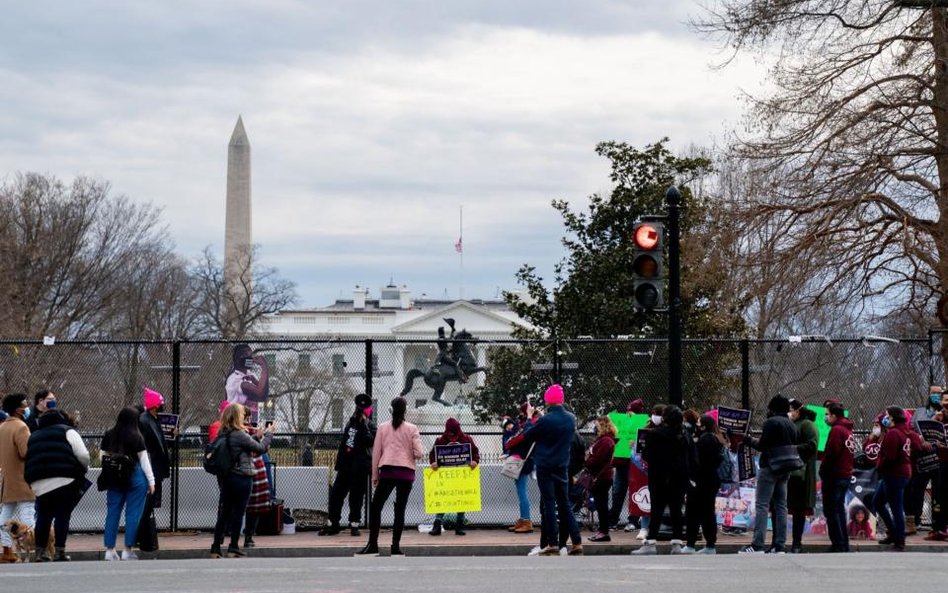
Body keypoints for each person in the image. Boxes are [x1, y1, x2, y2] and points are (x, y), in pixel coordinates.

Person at [505, 384, 583, 556]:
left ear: (548, 400)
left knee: (549, 503)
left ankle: (552, 543)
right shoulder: (571, 418)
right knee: (565, 504)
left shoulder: (545, 421)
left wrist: (530, 416)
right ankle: (577, 542)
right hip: (563, 465)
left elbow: (527, 435)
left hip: (546, 465)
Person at [357, 396, 424, 556]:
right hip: (406, 473)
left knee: (376, 507)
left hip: (387, 471)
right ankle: (395, 546)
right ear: (405, 410)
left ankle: (373, 544)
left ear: (392, 409)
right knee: (399, 509)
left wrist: (375, 475)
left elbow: (376, 453)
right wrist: (409, 454)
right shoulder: (412, 428)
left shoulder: (383, 427)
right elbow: (419, 453)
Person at [210, 403, 275, 559]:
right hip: (242, 477)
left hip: (227, 478)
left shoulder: (223, 432)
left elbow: (241, 445)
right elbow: (259, 448)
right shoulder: (239, 434)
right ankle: (233, 546)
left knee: (224, 513)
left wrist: (256, 436)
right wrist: (269, 434)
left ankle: (215, 548)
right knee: (239, 513)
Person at [25, 409, 89, 561]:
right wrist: (83, 468)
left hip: (39, 482)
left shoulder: (34, 436)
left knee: (43, 516)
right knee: (62, 515)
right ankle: (59, 551)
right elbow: (83, 455)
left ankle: (40, 552)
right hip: (64, 479)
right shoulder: (68, 431)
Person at [738, 395, 799, 554]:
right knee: (781, 507)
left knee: (762, 505)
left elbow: (762, 445)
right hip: (785, 468)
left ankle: (757, 544)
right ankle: (780, 545)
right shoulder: (791, 425)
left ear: (773, 408)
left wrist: (748, 439)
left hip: (770, 467)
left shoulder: (771, 423)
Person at [632, 405, 693, 555]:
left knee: (657, 510)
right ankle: (677, 543)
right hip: (678, 478)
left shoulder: (654, 434)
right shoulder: (684, 435)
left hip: (658, 477)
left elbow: (646, 455)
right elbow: (690, 456)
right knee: (676, 510)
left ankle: (651, 542)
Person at [101, 407, 155, 561]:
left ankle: (109, 549)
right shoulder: (136, 436)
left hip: (114, 477)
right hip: (135, 476)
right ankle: (127, 549)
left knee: (112, 513)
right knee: (133, 514)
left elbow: (103, 456)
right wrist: (151, 481)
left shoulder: (109, 434)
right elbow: (144, 461)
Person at [320, 394, 376, 536]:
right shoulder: (350, 423)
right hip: (346, 466)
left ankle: (354, 524)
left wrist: (363, 425)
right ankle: (333, 524)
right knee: (336, 495)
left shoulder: (370, 425)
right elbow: (345, 443)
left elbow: (370, 441)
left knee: (356, 497)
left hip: (360, 468)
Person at [429, 417, 480, 536]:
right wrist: (433, 463)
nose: (452, 437)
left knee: (461, 499)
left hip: (462, 476)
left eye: (454, 434)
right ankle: (437, 524)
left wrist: (475, 462)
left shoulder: (467, 439)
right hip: (445, 476)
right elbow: (432, 455)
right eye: (449, 434)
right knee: (442, 499)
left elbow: (475, 453)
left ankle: (459, 525)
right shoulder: (440, 440)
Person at [683, 414, 726, 555]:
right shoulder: (715, 439)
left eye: (699, 423)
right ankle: (710, 544)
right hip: (710, 480)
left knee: (693, 512)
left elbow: (698, 461)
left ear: (704, 426)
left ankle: (691, 543)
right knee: (707, 512)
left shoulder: (705, 440)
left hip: (701, 480)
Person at [0, 394, 35, 564]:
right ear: (18, 409)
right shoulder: (21, 427)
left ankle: (6, 550)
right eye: (24, 404)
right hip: (23, 478)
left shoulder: (2, 427)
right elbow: (25, 452)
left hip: (8, 480)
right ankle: (32, 547)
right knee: (27, 513)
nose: (27, 406)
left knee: (4, 516)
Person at [873, 406, 913, 551]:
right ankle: (893, 531)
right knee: (877, 502)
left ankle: (899, 540)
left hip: (894, 474)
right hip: (900, 473)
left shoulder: (894, 434)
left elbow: (889, 457)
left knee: (896, 508)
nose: (885, 418)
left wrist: (880, 466)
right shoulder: (903, 432)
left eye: (888, 416)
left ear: (893, 418)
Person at [906, 385, 943, 535]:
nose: (935, 396)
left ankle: (937, 523)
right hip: (921, 456)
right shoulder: (920, 411)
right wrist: (920, 440)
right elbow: (911, 429)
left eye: (938, 394)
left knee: (938, 490)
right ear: (928, 393)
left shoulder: (943, 411)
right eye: (933, 393)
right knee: (917, 488)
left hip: (938, 456)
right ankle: (916, 520)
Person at [138, 387, 172, 552]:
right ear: (154, 406)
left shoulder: (151, 420)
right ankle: (142, 535)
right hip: (152, 467)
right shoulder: (145, 421)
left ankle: (142, 534)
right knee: (148, 502)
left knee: (150, 502)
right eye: (160, 404)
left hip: (156, 467)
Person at [820, 403, 855, 552]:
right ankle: (843, 542)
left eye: (827, 414)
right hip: (845, 475)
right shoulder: (848, 431)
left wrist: (823, 469)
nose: (826, 417)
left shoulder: (837, 431)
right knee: (839, 510)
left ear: (834, 415)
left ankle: (838, 543)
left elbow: (831, 453)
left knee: (832, 510)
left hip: (834, 476)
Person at [786, 399, 818, 553]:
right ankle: (793, 542)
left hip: (802, 474)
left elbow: (812, 445)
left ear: (798, 411)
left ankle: (796, 543)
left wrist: (791, 449)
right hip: (794, 472)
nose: (790, 412)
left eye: (791, 409)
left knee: (799, 510)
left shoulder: (807, 425)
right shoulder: (797, 424)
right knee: (793, 508)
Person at [609, 399, 645, 531]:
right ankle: (613, 520)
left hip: (635, 464)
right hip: (622, 463)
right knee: (618, 492)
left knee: (633, 492)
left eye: (632, 411)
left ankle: (633, 520)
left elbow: (643, 445)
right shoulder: (621, 422)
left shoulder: (644, 423)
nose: (629, 413)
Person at [503, 403, 536, 534]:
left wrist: (528, 417)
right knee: (521, 490)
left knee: (522, 491)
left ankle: (526, 520)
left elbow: (512, 441)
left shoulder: (528, 424)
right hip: (523, 460)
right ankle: (523, 519)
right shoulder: (524, 424)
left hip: (523, 461)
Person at [585, 416, 617, 542]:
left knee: (602, 504)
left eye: (597, 425)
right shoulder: (603, 440)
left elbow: (598, 459)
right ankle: (602, 530)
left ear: (603, 426)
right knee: (600, 504)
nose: (595, 427)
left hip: (602, 477)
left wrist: (587, 460)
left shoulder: (606, 441)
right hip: (600, 476)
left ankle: (604, 531)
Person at [225, 344, 271, 423]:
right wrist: (264, 366)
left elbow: (264, 395)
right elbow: (260, 393)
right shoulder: (235, 379)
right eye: (246, 355)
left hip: (251, 424)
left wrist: (255, 381)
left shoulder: (250, 375)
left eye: (251, 354)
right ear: (238, 358)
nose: (250, 358)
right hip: (236, 426)